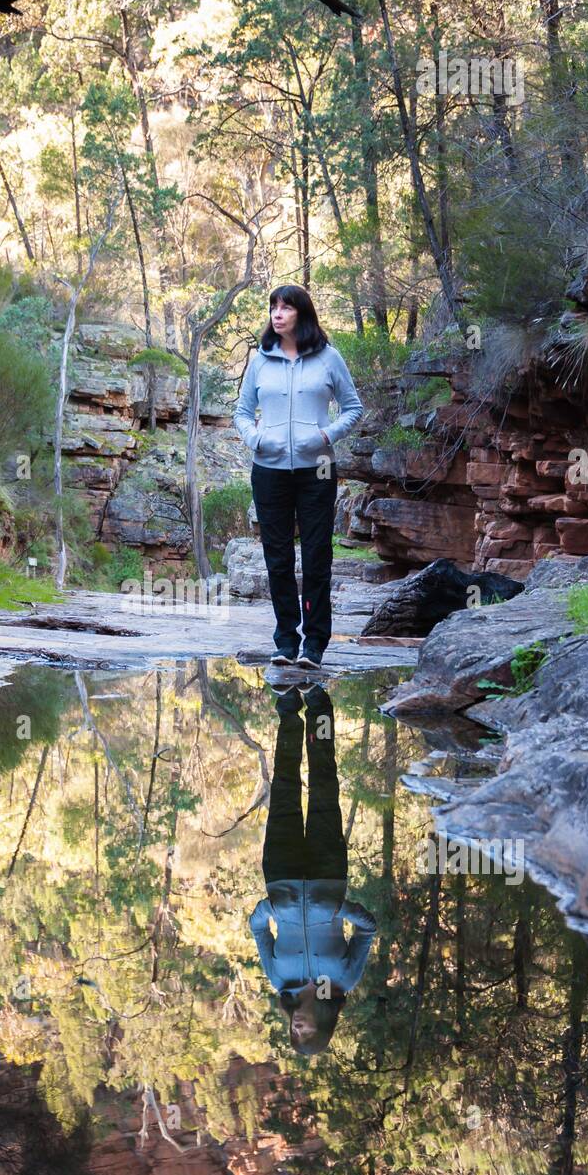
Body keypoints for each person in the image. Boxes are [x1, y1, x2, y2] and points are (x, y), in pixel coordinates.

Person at [233, 284, 364, 670]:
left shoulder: (328, 359)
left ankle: (315, 644)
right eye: (274, 307)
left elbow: (353, 409)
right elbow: (241, 412)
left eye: (286, 307)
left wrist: (325, 435)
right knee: (277, 559)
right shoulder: (260, 360)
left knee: (317, 555)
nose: (277, 313)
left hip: (318, 470)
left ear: (302, 315)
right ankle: (286, 641)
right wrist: (256, 438)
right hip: (269, 470)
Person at [249, 683, 376, 1055]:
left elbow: (257, 927)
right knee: (325, 783)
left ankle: (288, 709)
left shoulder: (280, 980)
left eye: (294, 1035)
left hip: (282, 875)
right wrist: (340, 910)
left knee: (285, 784)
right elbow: (368, 928)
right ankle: (319, 706)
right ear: (324, 1025)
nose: (298, 1029)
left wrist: (270, 908)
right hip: (327, 873)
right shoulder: (342, 981)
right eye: (306, 1035)